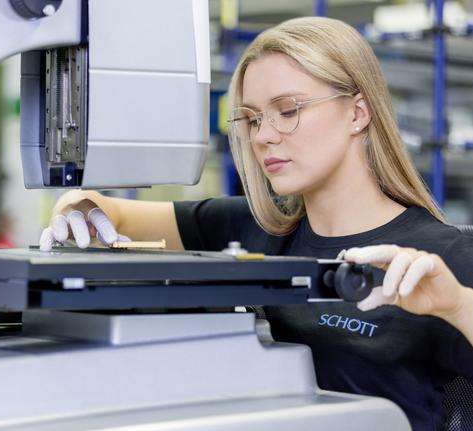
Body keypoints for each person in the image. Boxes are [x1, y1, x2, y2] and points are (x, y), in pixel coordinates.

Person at [38, 17, 473, 431]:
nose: (263, 135)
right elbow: (109, 211)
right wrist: (75, 207)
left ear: (358, 113)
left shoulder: (440, 259)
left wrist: (455, 304)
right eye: (252, 119)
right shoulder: (254, 229)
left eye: (287, 110)